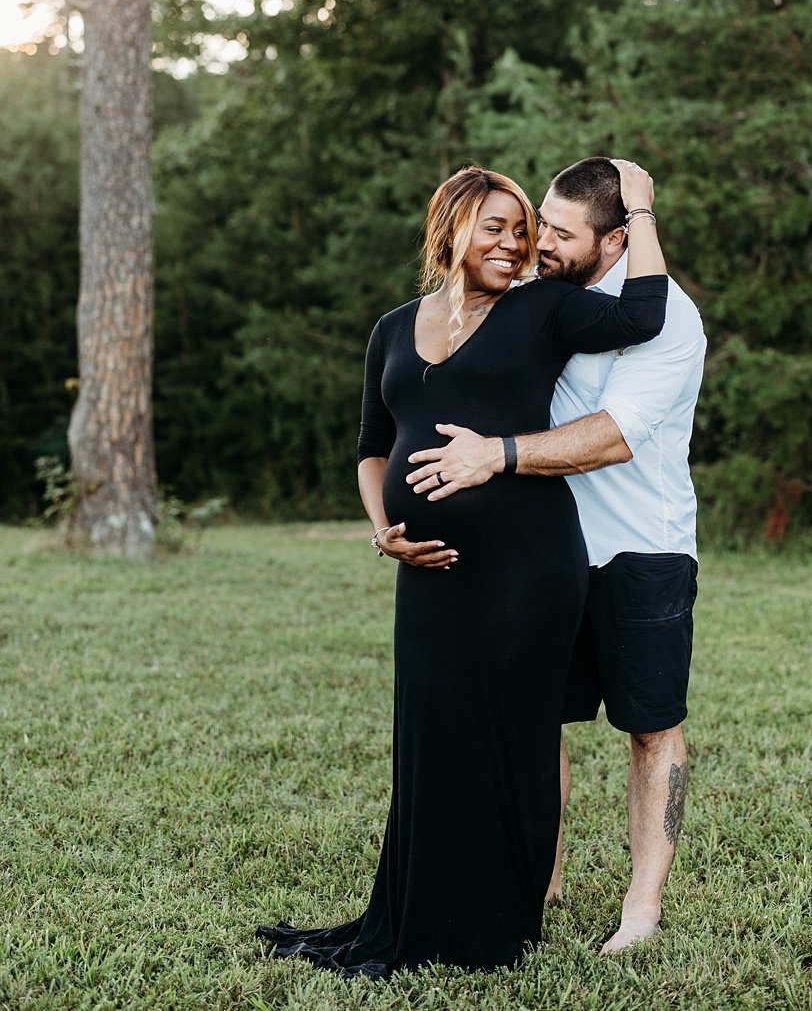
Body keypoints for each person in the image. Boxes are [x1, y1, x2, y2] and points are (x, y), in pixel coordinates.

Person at [257, 159, 668, 979]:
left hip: (527, 563)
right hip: (429, 573)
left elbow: (645, 315)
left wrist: (643, 208)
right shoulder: (390, 329)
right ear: (449, 230)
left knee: (510, 734)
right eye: (498, 228)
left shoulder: (544, 308)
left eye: (524, 231)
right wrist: (385, 531)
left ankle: (497, 925)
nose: (516, 245)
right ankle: (421, 909)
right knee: (431, 737)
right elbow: (374, 452)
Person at [404, 156, 706, 955]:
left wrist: (496, 455)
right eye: (542, 221)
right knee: (538, 717)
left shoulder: (664, 313)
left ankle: (640, 910)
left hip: (642, 552)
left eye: (561, 234)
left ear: (613, 241)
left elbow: (610, 438)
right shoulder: (540, 302)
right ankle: (541, 875)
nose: (540, 242)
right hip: (544, 551)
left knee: (651, 726)